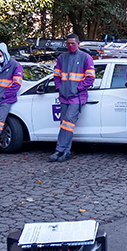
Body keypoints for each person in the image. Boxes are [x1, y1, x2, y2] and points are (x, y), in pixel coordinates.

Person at [48, 34, 95, 163]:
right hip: (64, 96)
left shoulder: (86, 58)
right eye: (68, 43)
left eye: (73, 43)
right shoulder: (62, 58)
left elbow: (90, 78)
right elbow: (56, 76)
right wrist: (60, 88)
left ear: (78, 43)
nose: (70, 46)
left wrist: (77, 88)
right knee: (64, 124)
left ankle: (60, 149)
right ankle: (65, 152)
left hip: (77, 97)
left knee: (68, 122)